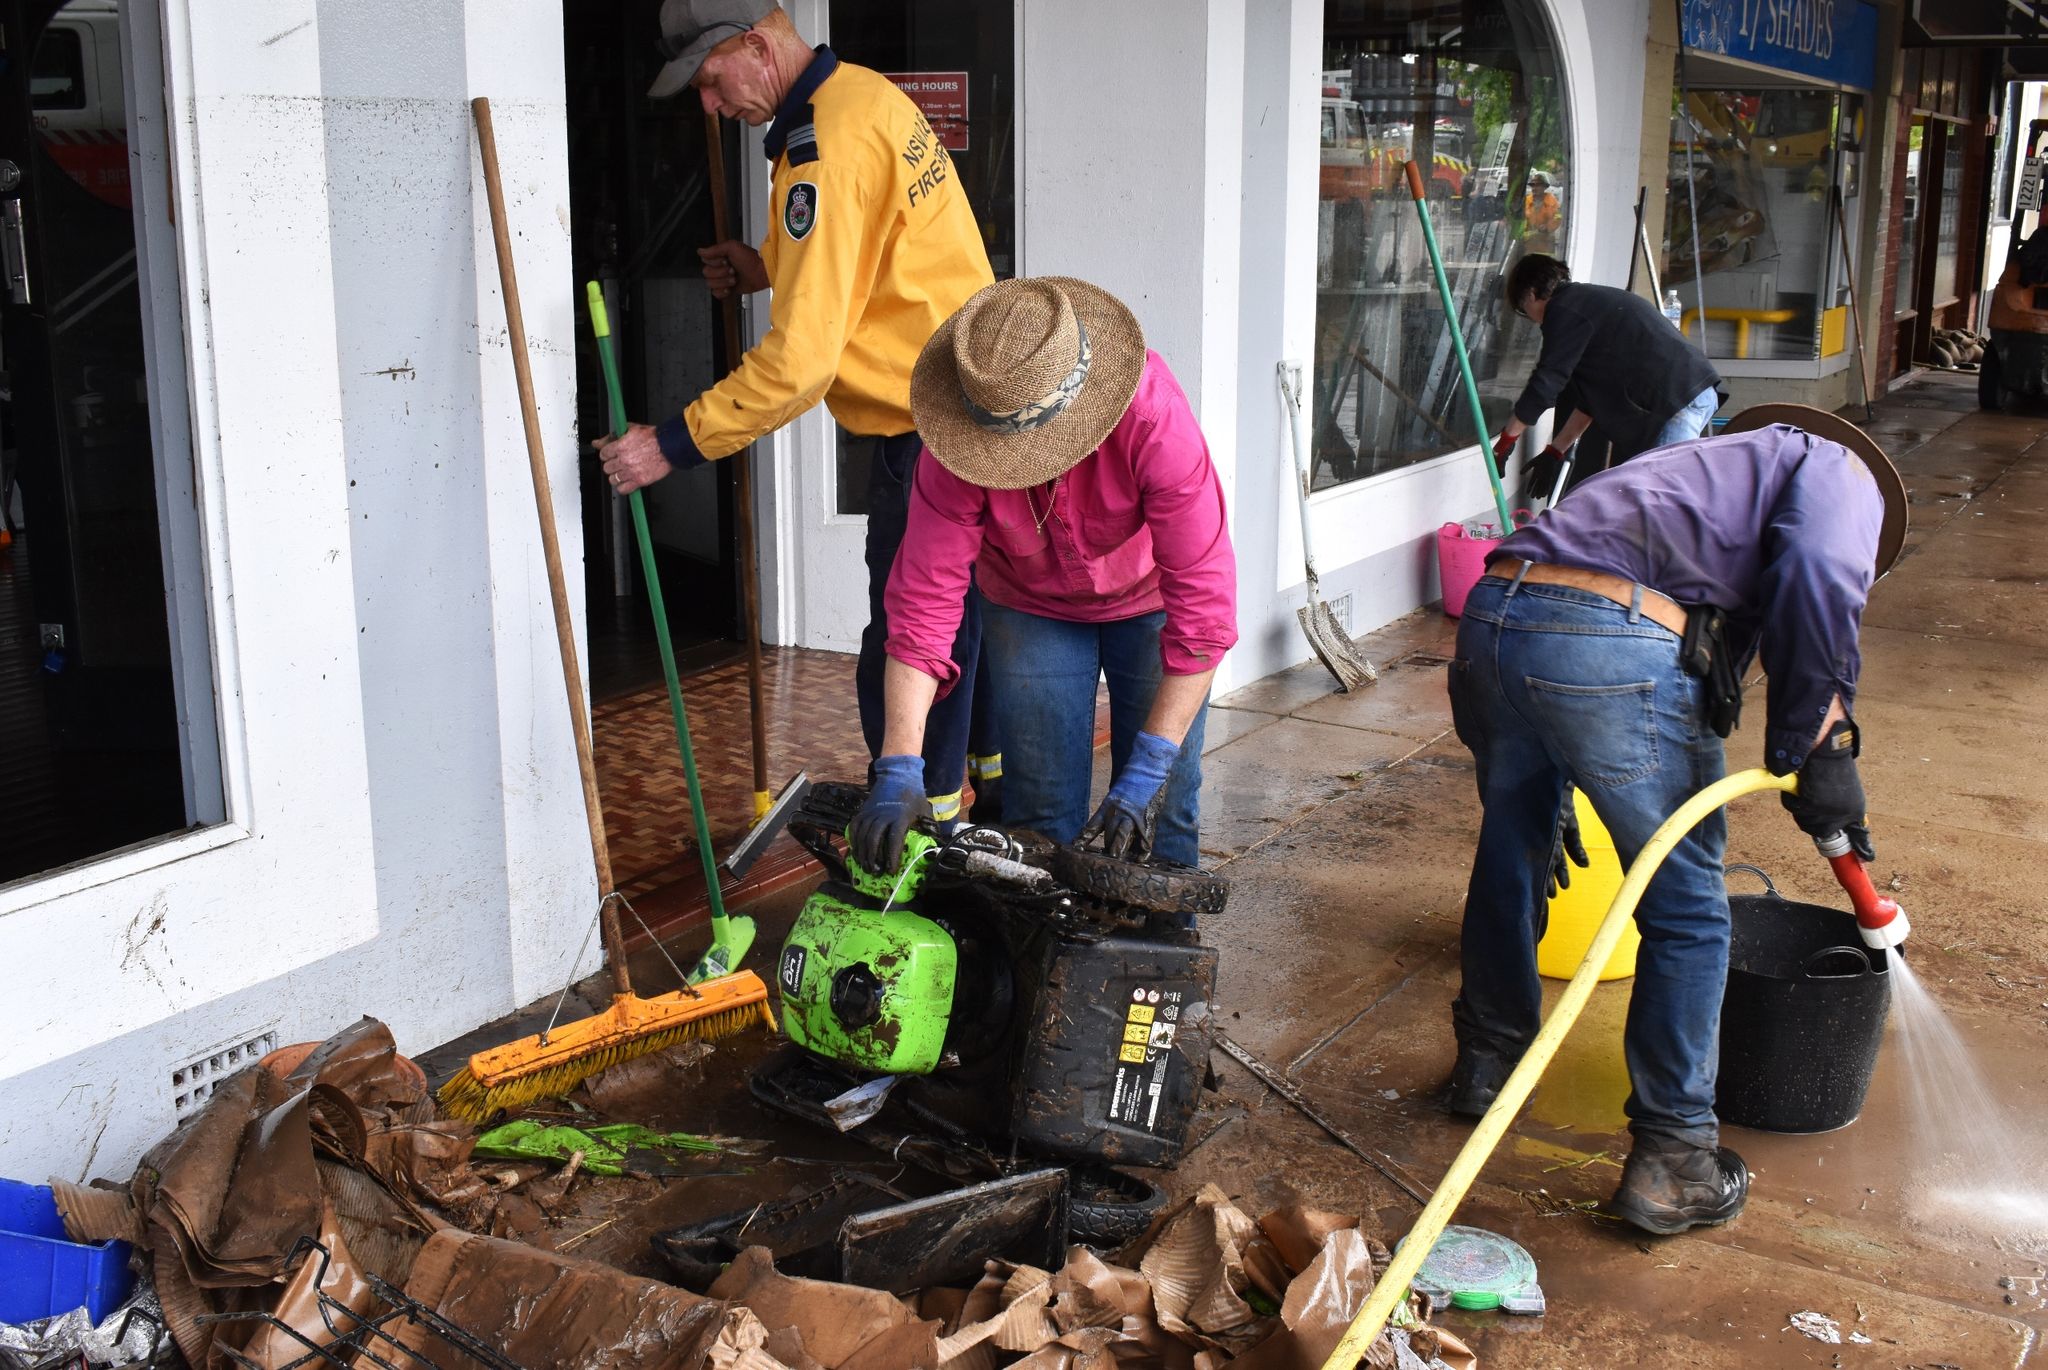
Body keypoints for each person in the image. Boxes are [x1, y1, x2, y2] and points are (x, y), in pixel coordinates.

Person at [1443, 405, 1906, 1237]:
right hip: (1600, 637)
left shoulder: (1689, 469)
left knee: (1513, 850)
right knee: (1687, 905)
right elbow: (1821, 573)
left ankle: (1488, 1064)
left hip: (1490, 621)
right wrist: (1822, 744)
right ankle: (1674, 1160)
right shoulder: (1842, 472)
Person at [595, 0, 996, 827]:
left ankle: (928, 840)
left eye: (710, 81)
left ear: (754, 45)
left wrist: (672, 444)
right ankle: (969, 808)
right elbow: (865, 251)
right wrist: (765, 263)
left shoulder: (823, 148)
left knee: (907, 651)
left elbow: (801, 365)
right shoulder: (861, 96)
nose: (709, 105)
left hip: (925, 440)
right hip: (965, 414)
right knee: (953, 629)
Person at [846, 277, 1237, 879]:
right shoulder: (953, 447)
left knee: (1166, 807)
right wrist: (900, 764)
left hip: (1151, 600)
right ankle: (1047, 965)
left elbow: (1205, 612)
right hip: (1028, 603)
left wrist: (1150, 765)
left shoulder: (1154, 416)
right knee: (1042, 813)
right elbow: (924, 613)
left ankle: (1162, 960)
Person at [1492, 254, 1722, 496]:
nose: (1531, 319)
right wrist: (1555, 451)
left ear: (1529, 294)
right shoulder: (1586, 306)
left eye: (1523, 311)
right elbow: (1589, 403)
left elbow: (1547, 381)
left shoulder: (1564, 309)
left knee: (1659, 500)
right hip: (1688, 394)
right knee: (1649, 498)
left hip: (1677, 400)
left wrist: (1507, 439)